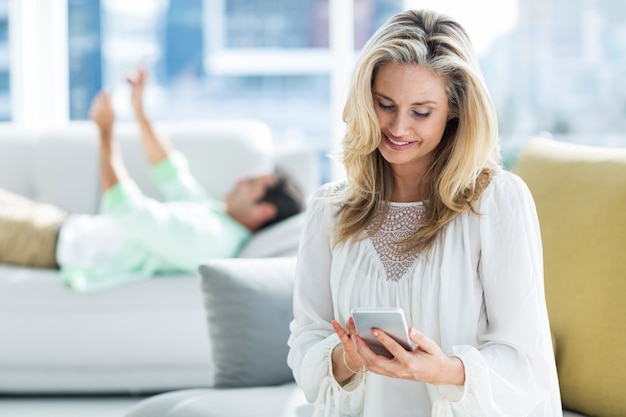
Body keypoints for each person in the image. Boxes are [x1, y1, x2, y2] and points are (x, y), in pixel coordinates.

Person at [287, 9, 562, 417]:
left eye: (421, 112)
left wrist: (446, 372)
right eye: (385, 104)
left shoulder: (497, 201)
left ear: (453, 111)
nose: (398, 128)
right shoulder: (331, 209)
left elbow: (526, 362)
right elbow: (306, 342)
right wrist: (351, 358)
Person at [0, 66, 304, 292]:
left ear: (264, 211)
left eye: (250, 185)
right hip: (58, 224)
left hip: (52, 245)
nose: (239, 180)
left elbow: (124, 206)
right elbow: (172, 172)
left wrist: (105, 132)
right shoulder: (215, 217)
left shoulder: (210, 238)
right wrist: (139, 110)